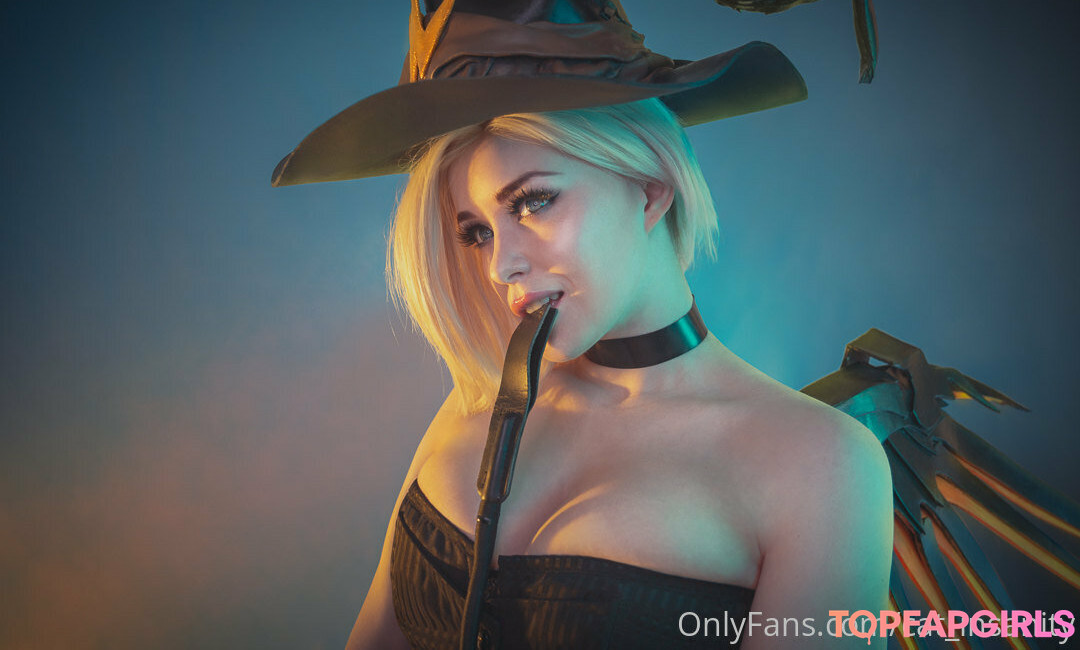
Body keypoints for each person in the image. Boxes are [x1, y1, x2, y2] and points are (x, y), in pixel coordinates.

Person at [273, 1, 893, 647]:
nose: (501, 265)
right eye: (477, 232)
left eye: (534, 201)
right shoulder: (474, 403)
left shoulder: (821, 462)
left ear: (649, 187)